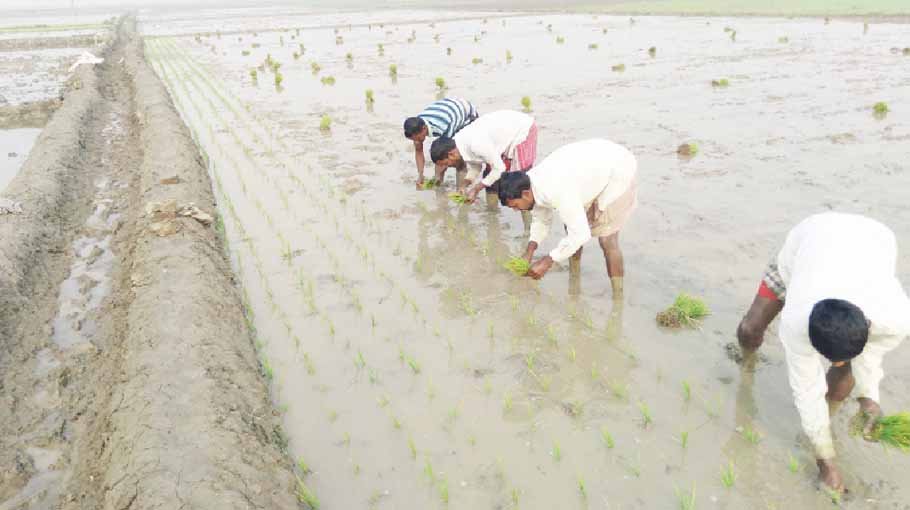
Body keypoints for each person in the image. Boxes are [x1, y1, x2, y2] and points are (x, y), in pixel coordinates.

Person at [736, 212, 910, 493]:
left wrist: (869, 399)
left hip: (874, 239)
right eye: (831, 358)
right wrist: (826, 463)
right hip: (811, 242)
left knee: (843, 382)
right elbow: (806, 390)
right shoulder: (796, 322)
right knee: (749, 329)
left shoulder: (896, 318)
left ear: (867, 326)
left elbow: (872, 355)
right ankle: (745, 367)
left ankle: (826, 421)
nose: (838, 363)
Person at [496, 139, 638, 296]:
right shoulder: (528, 183)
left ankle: (618, 298)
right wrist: (530, 251)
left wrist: (548, 261)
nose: (516, 210)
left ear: (525, 194)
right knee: (570, 227)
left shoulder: (555, 190)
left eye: (515, 206)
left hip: (617, 171)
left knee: (607, 240)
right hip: (589, 172)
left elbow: (581, 234)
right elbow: (541, 219)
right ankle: (574, 280)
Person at [429, 110, 536, 202]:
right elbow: (476, 165)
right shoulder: (458, 144)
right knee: (490, 178)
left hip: (521, 130)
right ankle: (493, 217)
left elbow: (499, 168)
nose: (449, 167)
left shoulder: (476, 145)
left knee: (519, 182)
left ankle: (528, 219)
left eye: (447, 164)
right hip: (500, 137)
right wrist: (464, 185)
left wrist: (476, 189)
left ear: (451, 154)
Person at [403, 97, 478, 189]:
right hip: (448, 108)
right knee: (440, 161)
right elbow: (418, 151)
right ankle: (439, 186)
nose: (417, 141)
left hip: (466, 113)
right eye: (414, 139)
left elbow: (446, 152)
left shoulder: (442, 127)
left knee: (457, 158)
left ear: (424, 129)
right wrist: (420, 175)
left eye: (418, 138)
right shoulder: (416, 126)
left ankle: (460, 189)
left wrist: (439, 174)